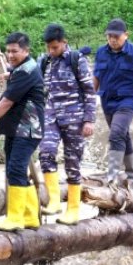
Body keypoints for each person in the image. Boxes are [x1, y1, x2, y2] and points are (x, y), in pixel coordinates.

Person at [0, 32, 45, 232]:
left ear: (26, 51)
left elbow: (7, 102)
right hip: (17, 128)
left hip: (27, 129)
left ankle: (15, 217)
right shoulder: (22, 69)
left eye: (15, 51)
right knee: (15, 171)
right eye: (8, 51)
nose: (10, 55)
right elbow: (16, 74)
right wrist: (8, 72)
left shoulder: (26, 71)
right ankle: (31, 216)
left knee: (15, 170)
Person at [37, 23, 97, 225]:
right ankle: (54, 200)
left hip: (75, 119)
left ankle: (72, 210)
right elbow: (29, 76)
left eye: (54, 47)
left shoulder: (76, 60)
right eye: (48, 48)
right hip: (51, 116)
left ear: (64, 43)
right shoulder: (45, 61)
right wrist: (9, 72)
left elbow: (89, 91)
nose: (51, 51)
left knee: (73, 164)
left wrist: (89, 120)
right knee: (45, 152)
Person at [92, 18, 133, 186]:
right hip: (107, 100)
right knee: (122, 135)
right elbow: (96, 76)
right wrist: (90, 97)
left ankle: (111, 177)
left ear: (126, 35)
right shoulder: (101, 52)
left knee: (116, 132)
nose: (113, 39)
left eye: (116, 36)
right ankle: (132, 176)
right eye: (109, 36)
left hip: (128, 100)